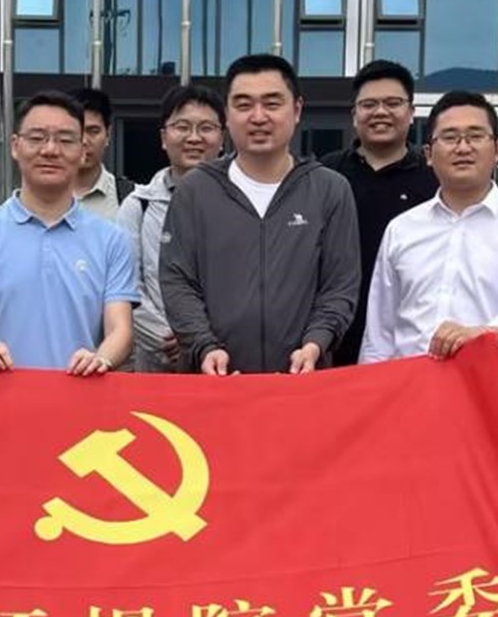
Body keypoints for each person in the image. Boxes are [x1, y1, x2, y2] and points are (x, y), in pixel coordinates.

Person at [160, 54, 360, 376]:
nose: (258, 117)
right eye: (243, 105)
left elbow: (340, 286)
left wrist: (316, 343)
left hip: (301, 380)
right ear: (227, 115)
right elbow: (177, 281)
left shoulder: (330, 190)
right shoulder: (195, 190)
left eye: (271, 104)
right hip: (214, 381)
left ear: (296, 110)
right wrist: (204, 346)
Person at [358, 91, 498, 370]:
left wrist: (479, 336)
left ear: (497, 150)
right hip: (408, 386)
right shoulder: (401, 229)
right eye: (450, 137)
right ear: (429, 154)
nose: (463, 148)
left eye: (475, 136)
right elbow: (379, 334)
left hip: (485, 384)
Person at [0, 91, 137, 375]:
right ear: (15, 146)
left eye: (65, 140)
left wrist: (101, 359)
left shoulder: (112, 239)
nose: (50, 150)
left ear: (82, 150)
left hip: (82, 391)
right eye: (37, 138)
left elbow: (120, 329)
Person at [323, 59, 431, 366]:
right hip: (332, 336)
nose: (380, 112)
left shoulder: (433, 179)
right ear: (354, 114)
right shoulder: (326, 174)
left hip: (408, 341)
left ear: (411, 112)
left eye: (393, 103)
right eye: (369, 104)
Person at [116, 84, 223, 372]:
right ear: (164, 138)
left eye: (206, 128)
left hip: (228, 361)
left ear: (222, 138)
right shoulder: (139, 206)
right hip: (159, 364)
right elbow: (126, 288)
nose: (194, 138)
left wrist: (207, 342)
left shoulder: (243, 205)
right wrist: (182, 341)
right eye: (182, 127)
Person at [71, 85, 132, 219]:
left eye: (93, 131)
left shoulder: (131, 198)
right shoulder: (36, 197)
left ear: (108, 134)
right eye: (76, 131)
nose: (84, 141)